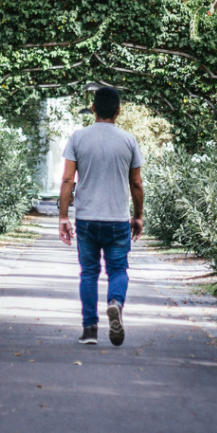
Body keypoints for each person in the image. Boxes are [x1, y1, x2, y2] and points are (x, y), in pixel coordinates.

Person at [58, 86, 144, 346]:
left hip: (87, 219)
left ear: (93, 108)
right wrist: (138, 216)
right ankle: (115, 302)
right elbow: (136, 184)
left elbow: (67, 179)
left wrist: (63, 216)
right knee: (118, 269)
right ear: (118, 111)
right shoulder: (129, 141)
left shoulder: (78, 138)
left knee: (89, 272)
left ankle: (90, 329)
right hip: (117, 220)